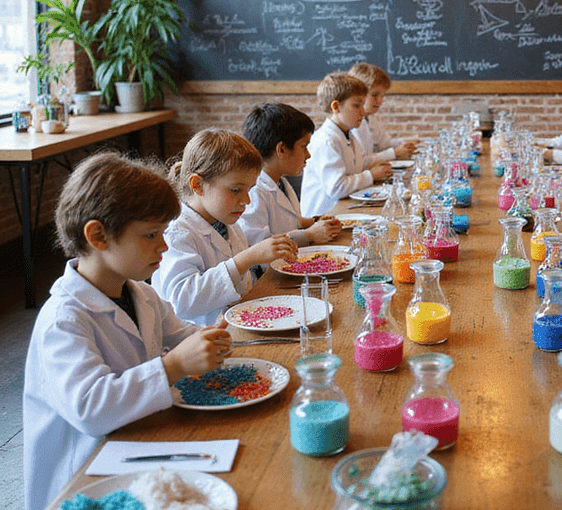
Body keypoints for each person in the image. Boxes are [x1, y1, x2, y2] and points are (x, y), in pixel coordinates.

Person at [22, 151, 232, 510]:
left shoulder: (141, 293)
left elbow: (179, 335)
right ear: (98, 236)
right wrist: (175, 366)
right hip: (85, 477)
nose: (164, 246)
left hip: (136, 451)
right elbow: (92, 407)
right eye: (151, 235)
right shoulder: (63, 320)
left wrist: (214, 339)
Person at [153, 128, 297, 325]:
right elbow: (181, 301)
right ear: (198, 185)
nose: (246, 200)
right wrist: (246, 259)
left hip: (236, 324)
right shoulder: (177, 234)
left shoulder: (229, 224)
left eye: (249, 190)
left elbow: (241, 286)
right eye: (236, 190)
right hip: (200, 336)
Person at [241, 101, 341, 254]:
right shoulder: (254, 193)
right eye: (304, 146)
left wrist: (314, 221)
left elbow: (290, 222)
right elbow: (258, 247)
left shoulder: (281, 182)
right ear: (281, 149)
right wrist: (309, 235)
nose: (308, 155)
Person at [300, 71, 393, 215]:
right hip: (323, 216)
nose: (363, 111)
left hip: (343, 209)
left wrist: (379, 163)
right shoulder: (326, 141)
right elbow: (337, 188)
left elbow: (358, 163)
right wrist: (371, 175)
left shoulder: (347, 134)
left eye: (363, 105)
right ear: (336, 107)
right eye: (357, 105)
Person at [347, 62, 418, 165]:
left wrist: (405, 143)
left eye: (382, 95)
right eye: (374, 95)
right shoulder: (353, 124)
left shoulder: (371, 118)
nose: (380, 101)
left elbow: (384, 143)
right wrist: (394, 153)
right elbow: (362, 162)